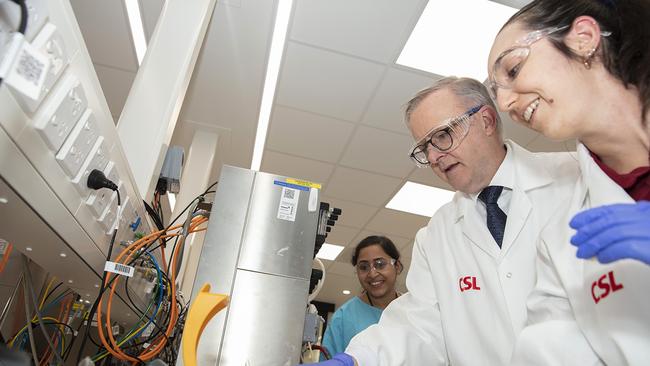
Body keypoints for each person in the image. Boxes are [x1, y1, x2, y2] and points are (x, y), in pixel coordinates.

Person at [309, 76, 580, 366]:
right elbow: (418, 326)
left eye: (442, 135)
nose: (434, 156)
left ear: (486, 121)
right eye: (424, 148)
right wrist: (358, 359)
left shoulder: (574, 179)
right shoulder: (437, 234)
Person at [487, 0, 650, 364]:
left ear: (584, 38)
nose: (506, 104)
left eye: (513, 69)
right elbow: (547, 351)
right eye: (497, 93)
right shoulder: (564, 238)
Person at [320, 236, 403, 360]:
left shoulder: (412, 311)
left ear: (397, 266)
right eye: (364, 267)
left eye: (380, 264)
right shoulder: (343, 318)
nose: (372, 273)